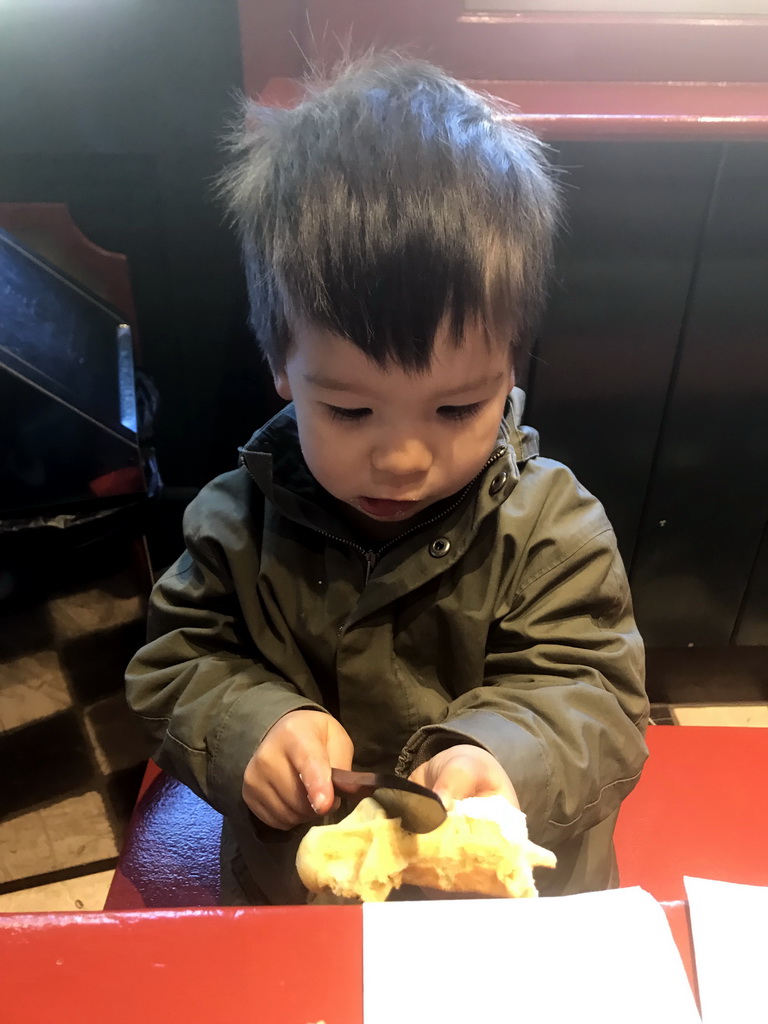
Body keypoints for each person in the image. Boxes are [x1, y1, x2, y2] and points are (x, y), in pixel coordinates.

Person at [125, 54, 648, 905]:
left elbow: (593, 697)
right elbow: (178, 663)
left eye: (455, 410)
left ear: (512, 366)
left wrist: (501, 756)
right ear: (281, 367)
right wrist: (253, 727)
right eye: (353, 413)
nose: (403, 460)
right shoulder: (234, 526)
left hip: (499, 902)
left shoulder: (552, 529)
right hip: (303, 893)